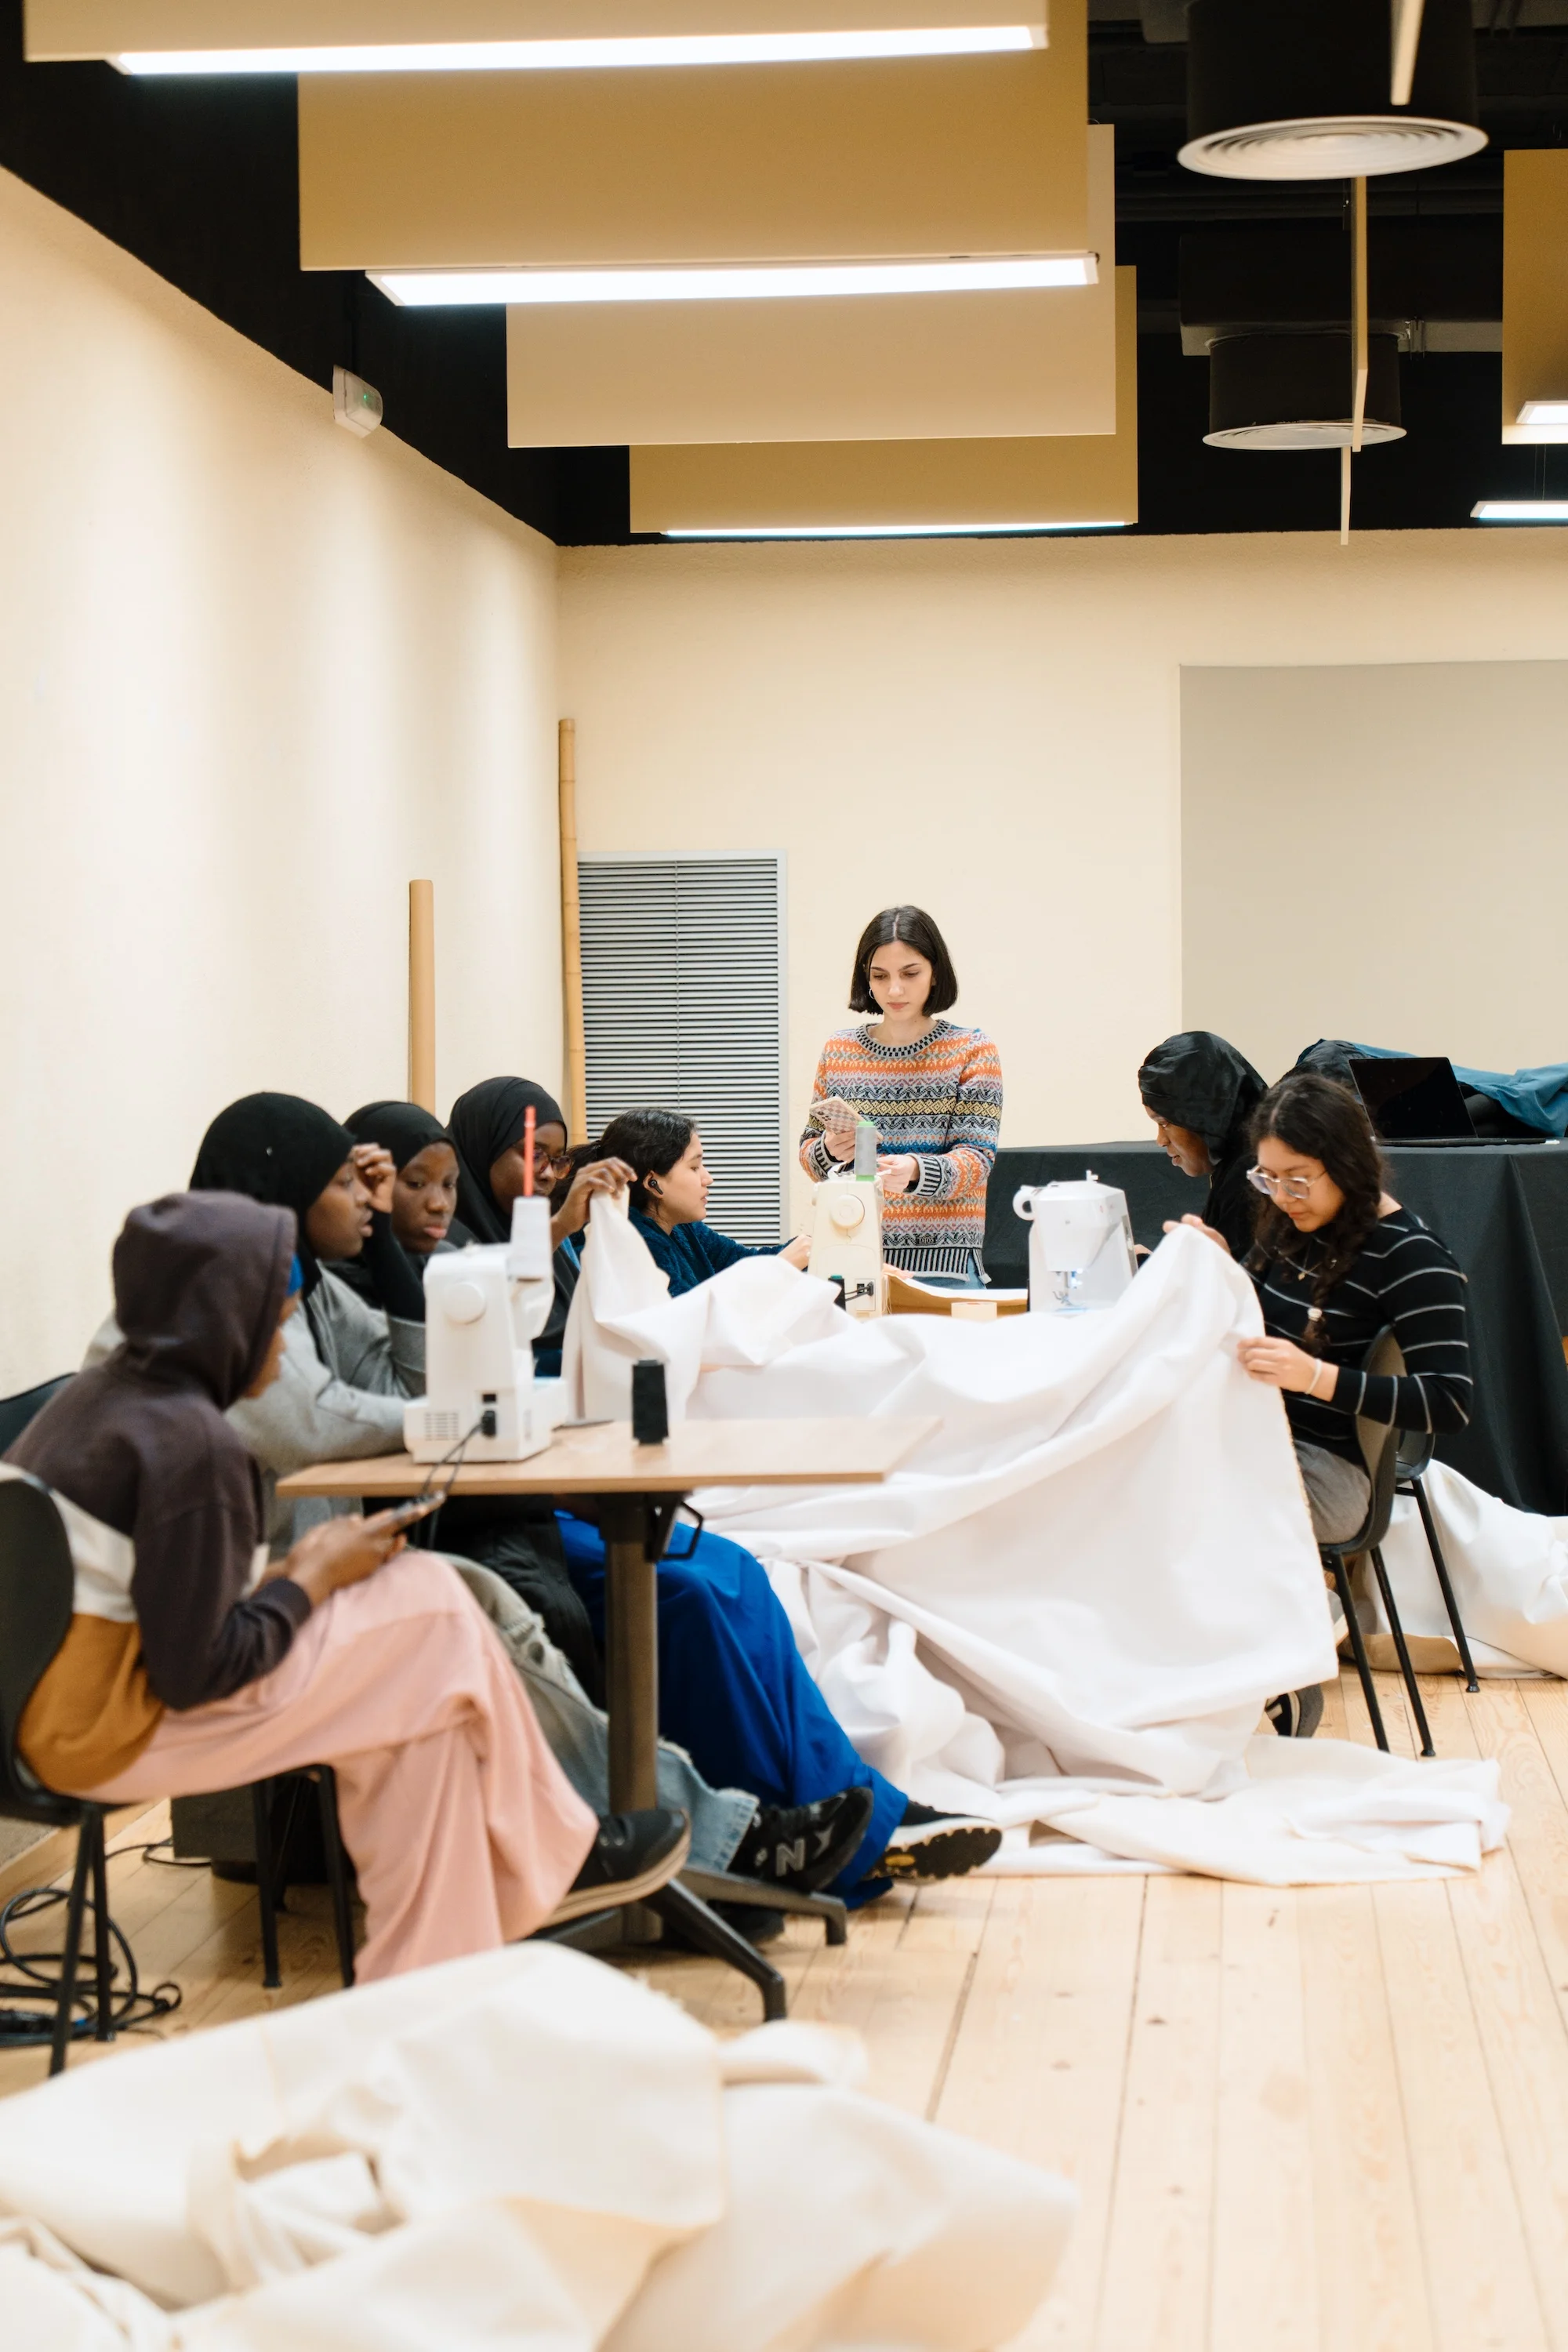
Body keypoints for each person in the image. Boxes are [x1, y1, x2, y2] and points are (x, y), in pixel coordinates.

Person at [8, 1191, 690, 1977]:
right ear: (224, 1320)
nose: (284, 1349)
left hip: (57, 1716)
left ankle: (426, 1979)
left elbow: (160, 1605)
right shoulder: (191, 1445)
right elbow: (202, 1671)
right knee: (433, 1611)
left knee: (419, 1700)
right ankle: (558, 1853)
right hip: (115, 1734)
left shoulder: (98, 1402)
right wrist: (311, 1575)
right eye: (276, 1323)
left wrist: (309, 1570)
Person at [332, 1099, 881, 1903]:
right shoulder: (384, 1284)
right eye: (410, 1185)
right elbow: (429, 1399)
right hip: (472, 1518)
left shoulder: (468, 1256)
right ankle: (753, 1836)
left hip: (527, 1491)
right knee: (686, 1593)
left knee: (735, 1572)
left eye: (444, 1183)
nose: (436, 1201)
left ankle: (854, 1809)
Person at [1180, 1070, 1473, 1737]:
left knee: (1169, 1497)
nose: (1283, 1197)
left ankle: (1276, 1654)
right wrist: (1220, 1266)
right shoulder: (1292, 1224)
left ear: (1347, 1165)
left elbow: (1449, 1403)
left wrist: (1316, 1378)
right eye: (1268, 1179)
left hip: (1331, 1473)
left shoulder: (1413, 1258)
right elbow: (1256, 1318)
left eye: (1298, 1179)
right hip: (1266, 1439)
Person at [800, 906, 1002, 1283]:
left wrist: (915, 1171)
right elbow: (810, 1154)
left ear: (935, 973)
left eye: (910, 974)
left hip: (944, 1266)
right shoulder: (839, 1051)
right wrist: (828, 1149)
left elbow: (977, 1158)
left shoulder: (972, 1049)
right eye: (880, 976)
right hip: (850, 1254)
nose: (894, 990)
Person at [447, 1077, 636, 1377]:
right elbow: (494, 1314)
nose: (548, 1174)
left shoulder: (548, 1240)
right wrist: (561, 1226)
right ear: (484, 1146)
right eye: (534, 1154)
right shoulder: (443, 1239)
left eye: (557, 1160)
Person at [584, 1109, 811, 1297]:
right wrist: (781, 1266)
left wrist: (812, 1243)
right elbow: (689, 1319)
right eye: (694, 1167)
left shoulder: (682, 1228)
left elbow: (741, 1262)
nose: (708, 1178)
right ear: (653, 1183)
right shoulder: (635, 1245)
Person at [1138, 1030, 1265, 1261]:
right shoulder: (1234, 1167)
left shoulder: (1251, 1180)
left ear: (1203, 1115)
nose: (1160, 1140)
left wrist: (1144, 1265)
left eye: (1165, 1123)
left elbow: (1231, 1276)